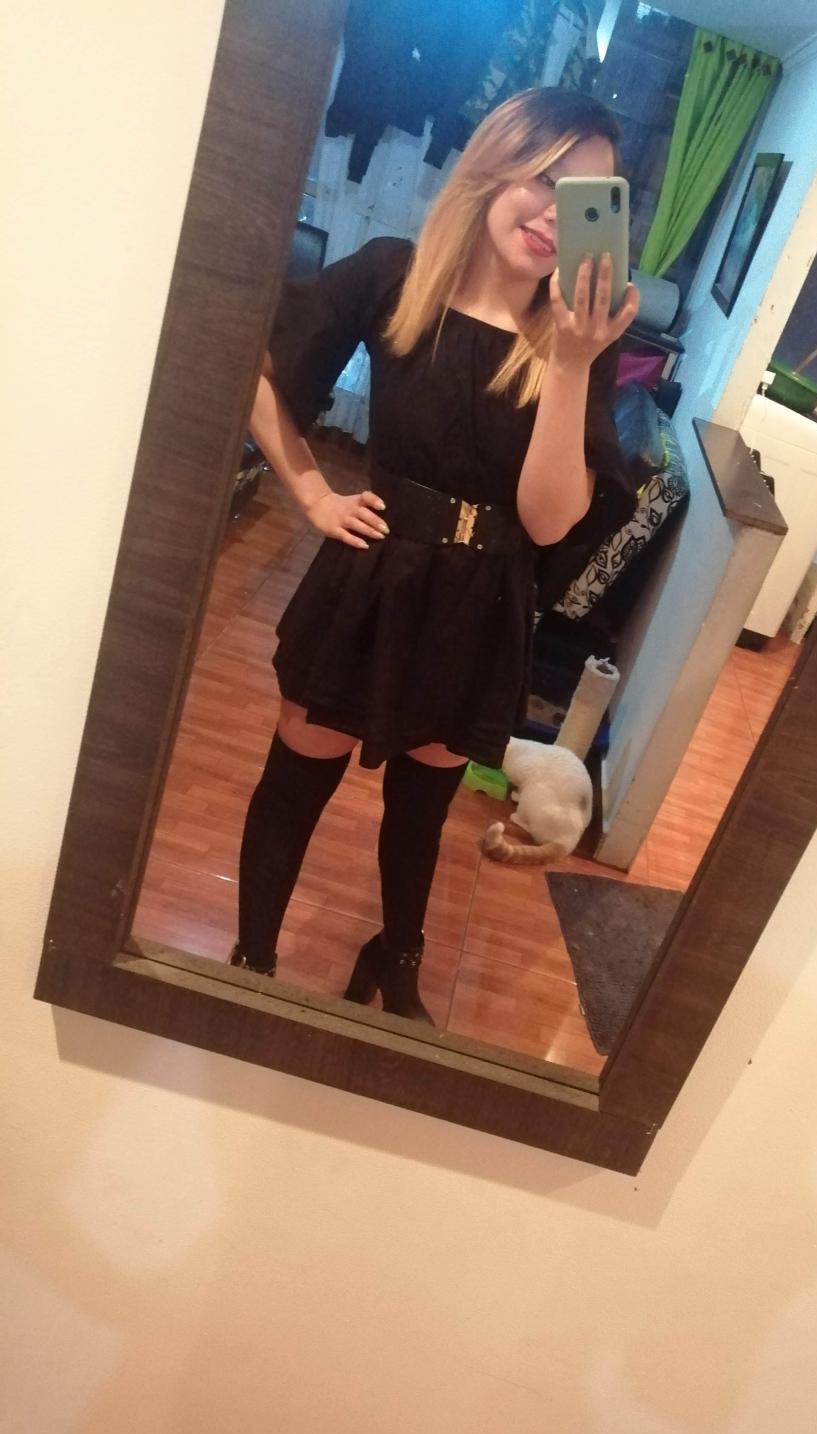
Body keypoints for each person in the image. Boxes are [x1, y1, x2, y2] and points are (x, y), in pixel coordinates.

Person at [231, 87, 640, 1025]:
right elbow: (258, 367)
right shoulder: (393, 275)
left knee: (421, 812)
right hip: (372, 576)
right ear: (495, 166)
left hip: (482, 605)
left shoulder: (578, 346)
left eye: (586, 198)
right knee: (296, 782)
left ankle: (396, 956)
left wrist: (572, 362)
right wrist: (312, 494)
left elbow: (548, 522)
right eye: (544, 179)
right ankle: (249, 959)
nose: (555, 214)